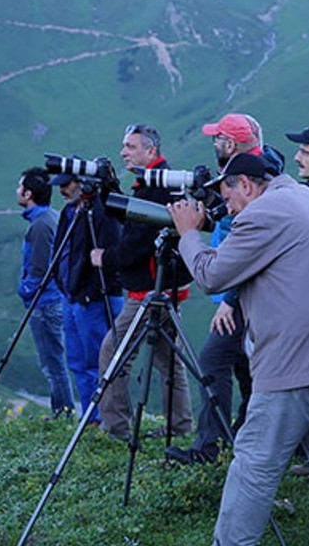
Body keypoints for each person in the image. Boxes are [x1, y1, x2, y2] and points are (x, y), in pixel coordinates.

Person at [168, 153, 309, 546]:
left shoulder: (264, 213)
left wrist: (188, 235)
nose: (226, 209)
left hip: (299, 362)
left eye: (227, 196)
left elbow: (212, 276)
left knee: (254, 464)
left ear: (246, 184)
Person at [167, 112, 264, 466]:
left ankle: (211, 446)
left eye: (218, 139)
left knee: (213, 358)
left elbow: (249, 244)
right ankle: (244, 436)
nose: (214, 145)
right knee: (247, 370)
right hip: (239, 287)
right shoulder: (250, 173)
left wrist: (229, 300)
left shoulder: (248, 180)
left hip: (240, 291)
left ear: (232, 144)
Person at [92, 124, 192, 442]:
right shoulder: (159, 179)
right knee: (168, 359)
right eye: (123, 146)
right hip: (169, 287)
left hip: (149, 290)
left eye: (130, 147)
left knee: (114, 353)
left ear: (150, 151)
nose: (123, 152)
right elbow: (136, 220)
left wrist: (104, 257)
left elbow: (138, 242)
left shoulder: (156, 186)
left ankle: (117, 428)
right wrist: (112, 192)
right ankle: (180, 425)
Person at [51, 172, 122, 425]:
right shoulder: (69, 213)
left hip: (92, 297)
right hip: (72, 296)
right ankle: (90, 417)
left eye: (66, 184)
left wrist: (90, 291)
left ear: (82, 183)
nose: (62, 190)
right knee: (79, 361)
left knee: (98, 359)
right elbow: (62, 250)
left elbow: (111, 253)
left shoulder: (101, 212)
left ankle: (107, 417)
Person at [16, 167, 74, 417]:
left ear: (28, 194)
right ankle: (63, 409)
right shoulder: (51, 217)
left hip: (45, 302)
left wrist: (25, 290)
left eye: (19, 187)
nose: (17, 191)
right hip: (55, 299)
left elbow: (39, 270)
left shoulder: (39, 226)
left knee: (52, 362)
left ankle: (62, 411)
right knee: (56, 360)